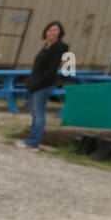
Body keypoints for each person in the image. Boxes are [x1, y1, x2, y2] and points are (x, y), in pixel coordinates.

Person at [18, 20, 68, 152]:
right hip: (35, 82)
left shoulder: (59, 47)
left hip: (45, 84)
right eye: (50, 29)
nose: (52, 32)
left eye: (55, 30)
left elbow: (52, 69)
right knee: (34, 112)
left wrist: (38, 83)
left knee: (38, 112)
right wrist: (30, 81)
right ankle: (31, 140)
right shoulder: (46, 46)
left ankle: (34, 142)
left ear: (60, 33)